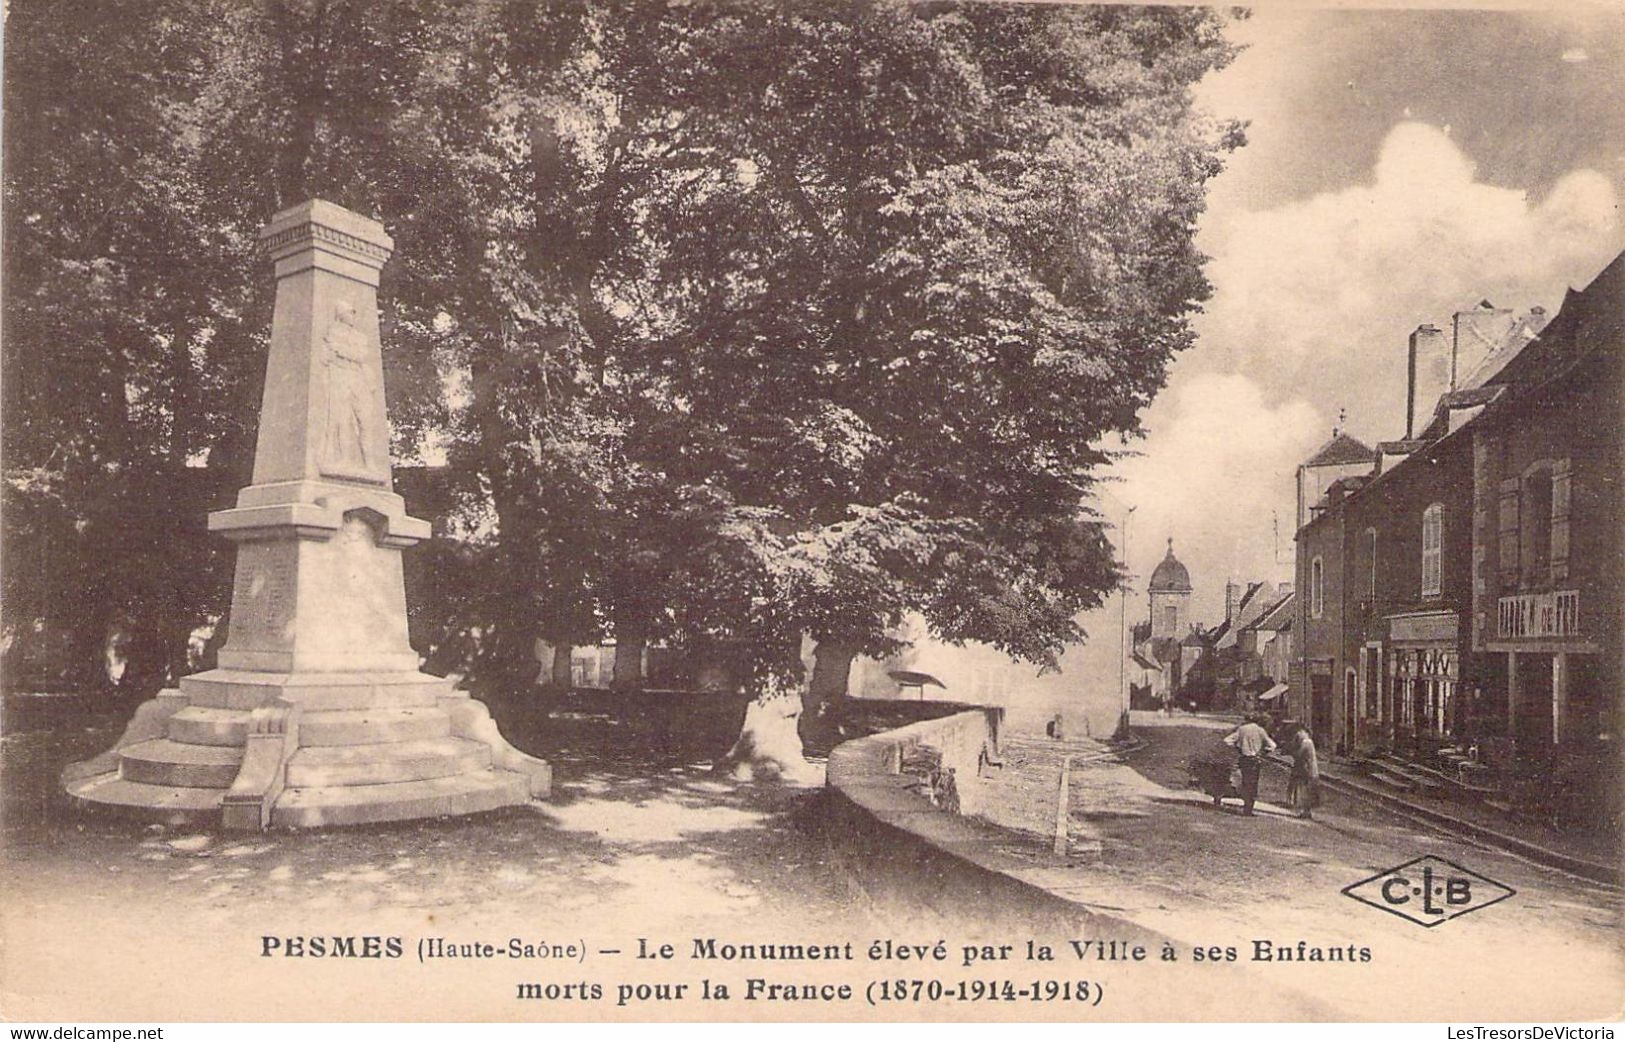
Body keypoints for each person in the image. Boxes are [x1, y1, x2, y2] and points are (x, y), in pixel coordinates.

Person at [1222, 713, 1276, 816]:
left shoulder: (1242, 729)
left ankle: (1246, 807)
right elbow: (1272, 745)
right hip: (1255, 759)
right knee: (1253, 784)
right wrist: (1263, 752)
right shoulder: (1260, 730)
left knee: (1245, 782)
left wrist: (1237, 748)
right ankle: (1249, 809)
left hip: (1244, 759)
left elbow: (1227, 740)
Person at [1288, 725, 1320, 819]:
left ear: (1304, 732)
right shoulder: (1308, 742)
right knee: (1307, 790)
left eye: (1299, 732)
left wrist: (1292, 750)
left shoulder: (1306, 742)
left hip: (1306, 770)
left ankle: (1305, 811)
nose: (1298, 734)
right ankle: (1306, 811)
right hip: (1309, 769)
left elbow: (1299, 754)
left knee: (1305, 790)